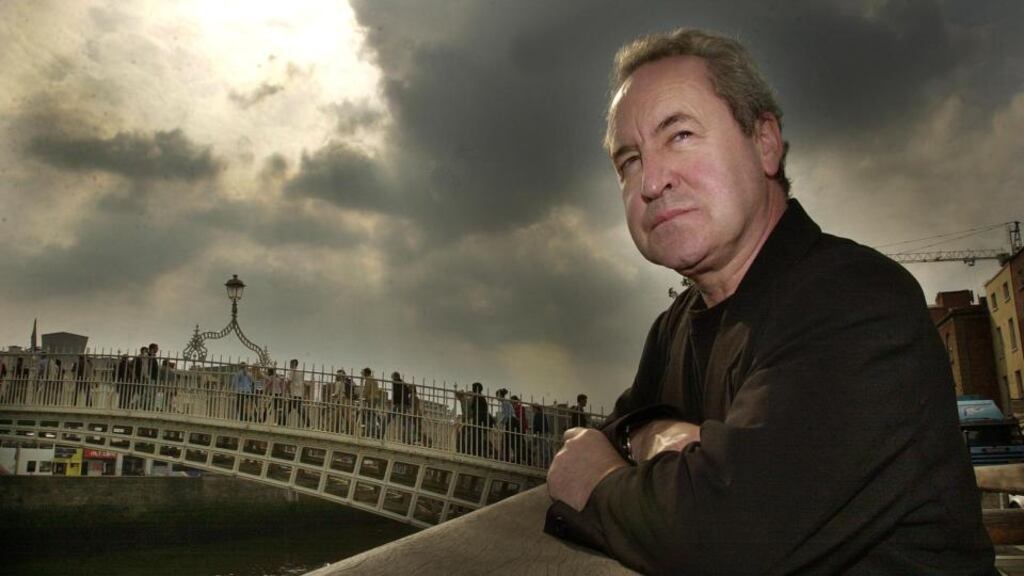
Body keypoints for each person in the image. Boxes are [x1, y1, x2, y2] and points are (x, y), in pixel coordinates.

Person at [544, 28, 994, 575]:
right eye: (629, 161)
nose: (652, 181)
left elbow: (724, 536)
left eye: (680, 135)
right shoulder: (675, 327)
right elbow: (615, 431)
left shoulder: (858, 303)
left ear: (765, 143)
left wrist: (598, 482)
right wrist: (656, 435)